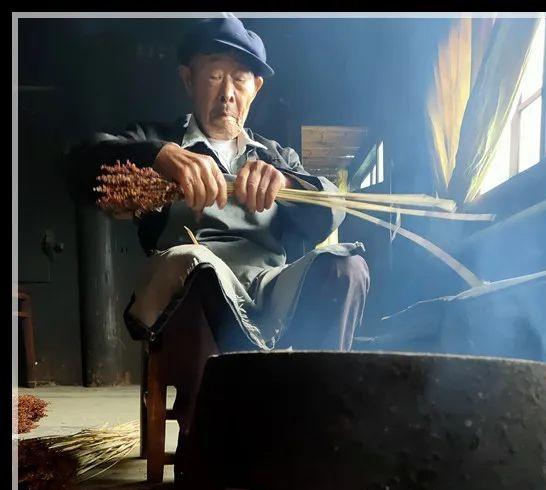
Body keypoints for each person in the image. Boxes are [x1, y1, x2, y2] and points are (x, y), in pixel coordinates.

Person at [67, 16, 370, 434]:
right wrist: (159, 154)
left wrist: (285, 182)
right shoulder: (159, 139)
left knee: (345, 266)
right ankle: (207, 434)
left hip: (267, 286)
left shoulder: (274, 156)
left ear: (255, 88)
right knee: (197, 266)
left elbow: (330, 209)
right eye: (214, 75)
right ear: (188, 79)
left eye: (241, 80)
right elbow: (81, 162)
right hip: (188, 288)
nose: (227, 93)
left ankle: (316, 427)